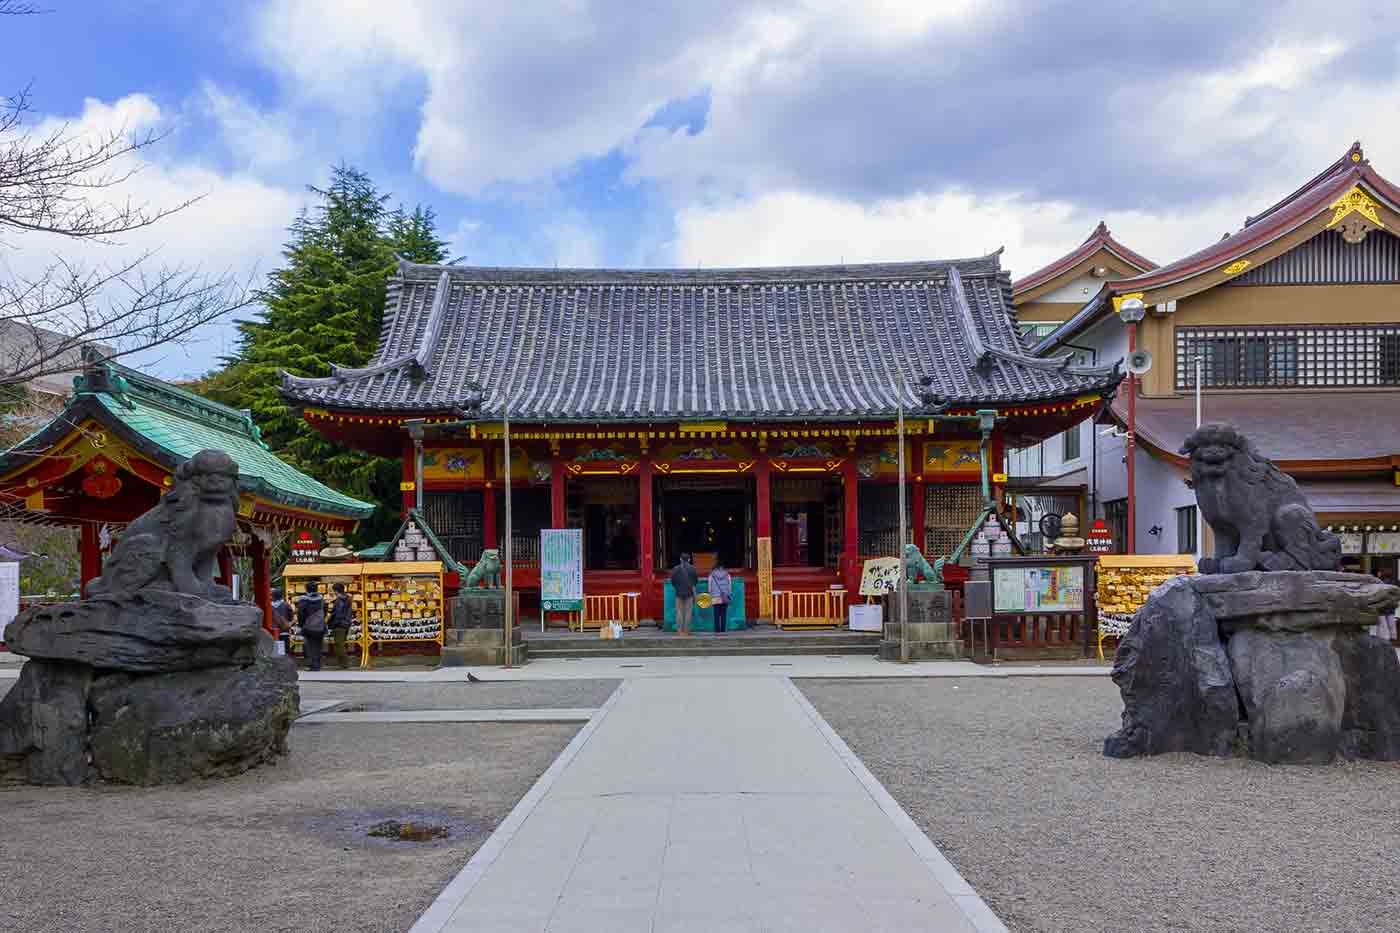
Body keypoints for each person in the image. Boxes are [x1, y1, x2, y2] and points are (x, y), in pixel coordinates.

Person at [297, 581, 327, 671]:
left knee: (309, 646)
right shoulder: (321, 598)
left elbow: (301, 613)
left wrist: (302, 624)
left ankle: (313, 664)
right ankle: (318, 663)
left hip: (308, 626)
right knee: (318, 645)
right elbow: (325, 611)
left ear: (306, 589)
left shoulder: (303, 599)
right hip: (320, 626)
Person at [670, 552, 698, 635]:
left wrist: (677, 587)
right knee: (688, 612)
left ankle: (679, 630)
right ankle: (686, 631)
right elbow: (695, 581)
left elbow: (673, 581)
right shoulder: (693, 568)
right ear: (689, 559)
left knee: (679, 611)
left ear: (680, 559)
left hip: (678, 592)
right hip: (689, 593)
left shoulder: (675, 568)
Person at [328, 581, 354, 670]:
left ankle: (344, 664)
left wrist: (331, 623)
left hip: (339, 624)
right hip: (346, 623)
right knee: (341, 644)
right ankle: (343, 664)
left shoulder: (339, 600)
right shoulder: (348, 598)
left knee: (339, 645)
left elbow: (338, 614)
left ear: (336, 590)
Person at [708, 558, 733, 634]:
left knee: (716, 614)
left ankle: (717, 630)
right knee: (723, 614)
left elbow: (709, 587)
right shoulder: (727, 574)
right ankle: (723, 629)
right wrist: (728, 594)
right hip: (724, 596)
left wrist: (711, 593)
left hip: (715, 596)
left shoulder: (711, 575)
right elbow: (729, 586)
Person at [1373, 568, 1397, 643]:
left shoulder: (1379, 582)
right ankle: (1393, 638)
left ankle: (1383, 640)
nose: (1378, 573)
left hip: (1382, 606)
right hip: (1391, 606)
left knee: (1382, 625)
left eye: (1379, 572)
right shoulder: (1394, 582)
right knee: (1391, 623)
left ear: (1382, 574)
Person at [270, 586, 293, 656]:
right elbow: (290, 618)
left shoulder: (269, 606)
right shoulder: (286, 605)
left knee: (275, 652)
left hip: (273, 632)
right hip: (284, 631)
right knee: (285, 652)